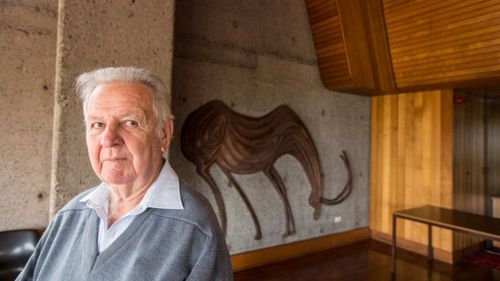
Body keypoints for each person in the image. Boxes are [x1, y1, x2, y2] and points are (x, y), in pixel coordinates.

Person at [16, 67, 233, 281]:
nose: (108, 139)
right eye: (97, 124)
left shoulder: (195, 226)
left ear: (164, 133)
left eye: (129, 123)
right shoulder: (69, 215)